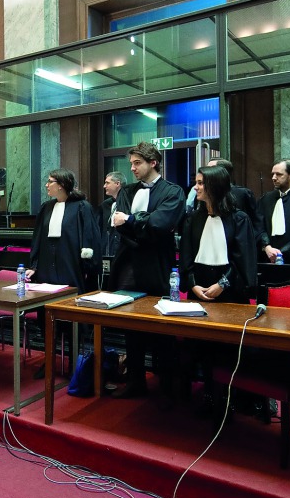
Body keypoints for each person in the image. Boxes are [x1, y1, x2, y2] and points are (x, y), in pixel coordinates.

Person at [109, 142, 186, 398]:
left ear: (153, 162)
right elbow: (117, 225)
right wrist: (141, 228)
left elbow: (161, 224)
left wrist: (133, 222)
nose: (132, 168)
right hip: (128, 265)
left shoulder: (172, 192)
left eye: (137, 163)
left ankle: (166, 387)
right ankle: (135, 381)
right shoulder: (128, 191)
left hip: (157, 266)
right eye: (131, 163)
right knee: (132, 329)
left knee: (161, 330)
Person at [181, 165, 258, 306]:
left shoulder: (239, 219)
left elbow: (243, 260)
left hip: (231, 293)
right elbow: (186, 257)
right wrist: (193, 285)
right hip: (198, 292)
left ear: (215, 185)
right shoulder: (192, 219)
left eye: (200, 183)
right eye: (196, 183)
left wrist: (222, 284)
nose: (195, 187)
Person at [26, 169, 100, 293]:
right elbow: (37, 238)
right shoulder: (46, 207)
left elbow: (90, 237)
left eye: (50, 181)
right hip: (46, 265)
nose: (46, 185)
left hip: (71, 265)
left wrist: (88, 267)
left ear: (61, 185)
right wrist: (34, 266)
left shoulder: (82, 207)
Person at [98, 171, 125, 260]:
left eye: (107, 183)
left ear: (117, 183)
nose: (104, 186)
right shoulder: (105, 205)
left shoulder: (130, 202)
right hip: (107, 249)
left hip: (124, 250)